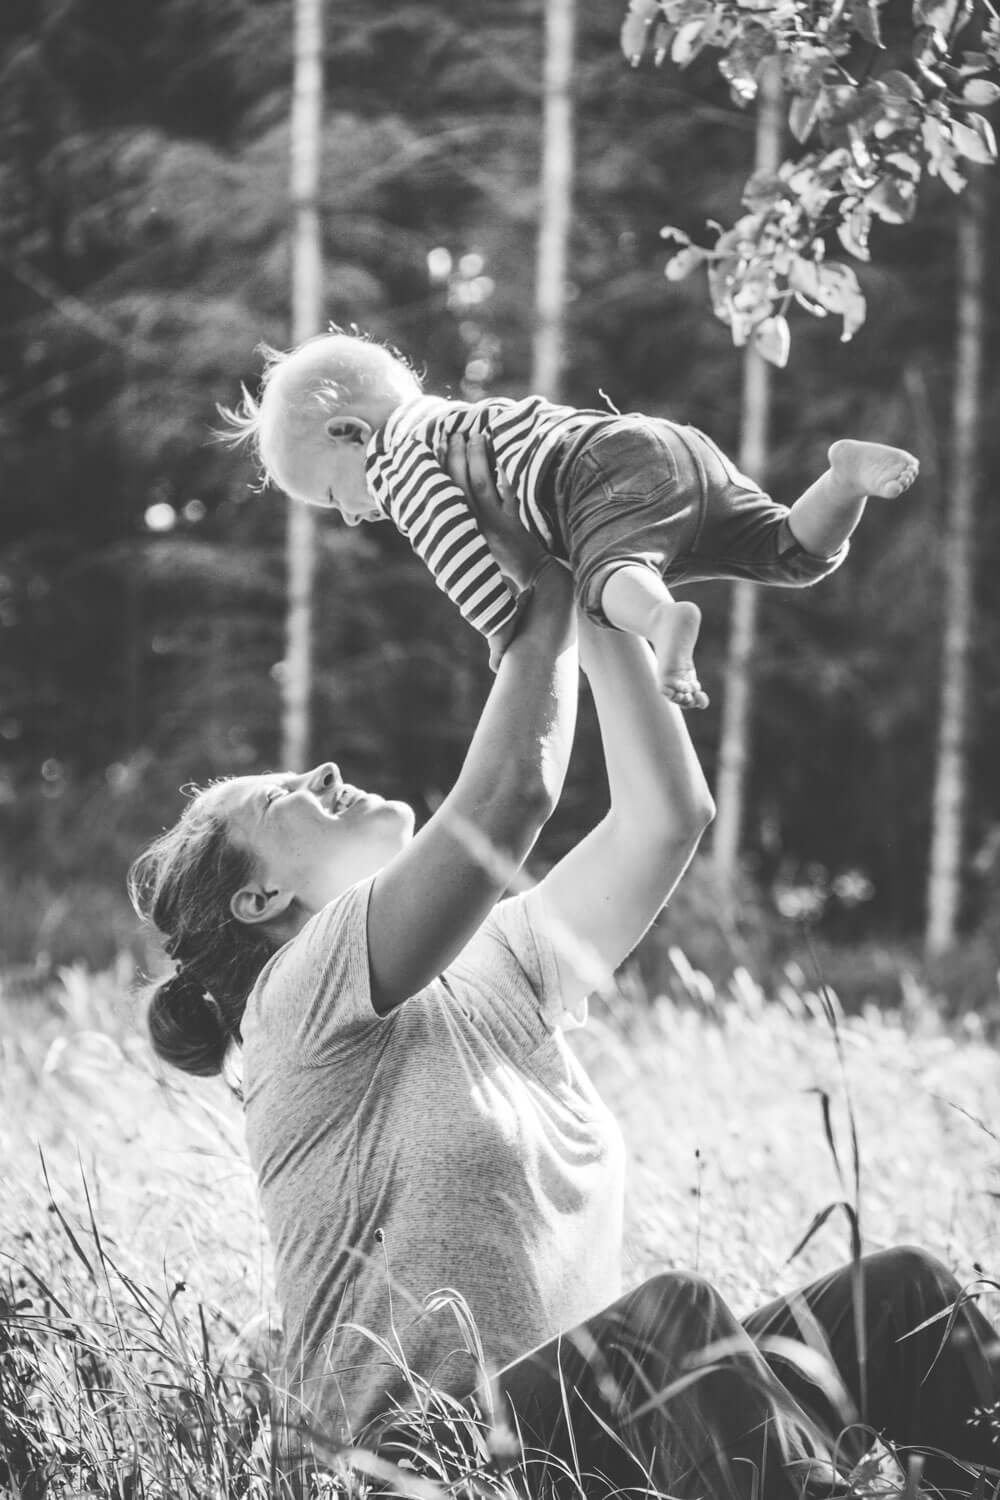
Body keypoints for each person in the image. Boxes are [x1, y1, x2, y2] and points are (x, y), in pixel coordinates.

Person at [129, 439, 995, 1500]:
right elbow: (507, 799)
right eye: (284, 800)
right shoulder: (294, 1000)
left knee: (896, 1300)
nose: (325, 770)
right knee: (668, 1325)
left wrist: (597, 571)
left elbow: (665, 818)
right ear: (261, 901)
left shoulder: (493, 969)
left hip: (580, 1435)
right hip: (420, 1467)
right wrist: (535, 567)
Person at [218, 330, 919, 708]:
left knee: (607, 576)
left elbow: (449, 543)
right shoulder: (453, 418)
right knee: (788, 552)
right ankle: (843, 477)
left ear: (350, 435)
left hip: (595, 476)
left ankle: (662, 621)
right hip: (669, 448)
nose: (349, 516)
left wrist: (502, 627)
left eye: (335, 498)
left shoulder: (396, 455)